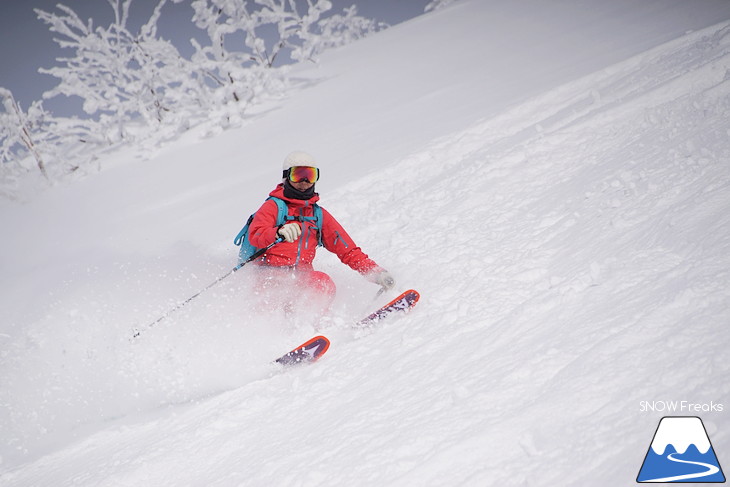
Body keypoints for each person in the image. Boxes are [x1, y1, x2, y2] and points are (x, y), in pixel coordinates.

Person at [247, 151, 395, 319]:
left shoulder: (317, 215)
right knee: (271, 300)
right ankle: (271, 336)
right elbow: (256, 234)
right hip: (270, 278)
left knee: (322, 282)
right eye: (298, 175)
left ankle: (313, 327)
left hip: (300, 278)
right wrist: (277, 232)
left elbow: (347, 249)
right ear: (286, 177)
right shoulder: (273, 207)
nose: (304, 182)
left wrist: (376, 273)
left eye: (310, 175)